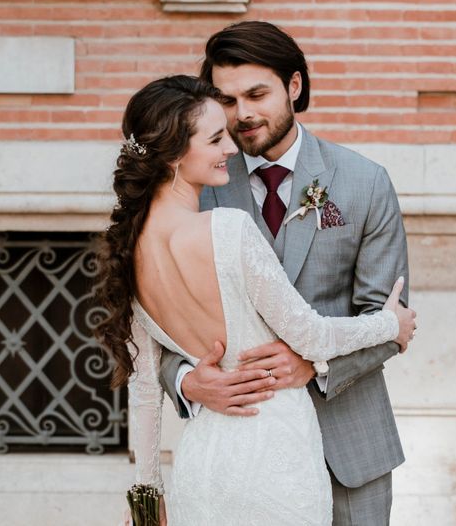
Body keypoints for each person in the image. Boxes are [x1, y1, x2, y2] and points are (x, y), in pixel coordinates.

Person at [95, 75, 416, 525]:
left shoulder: (130, 250)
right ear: (174, 154)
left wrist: (146, 499)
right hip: (276, 459)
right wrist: (391, 326)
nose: (230, 147)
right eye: (214, 138)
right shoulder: (227, 228)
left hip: (202, 465)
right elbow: (310, 335)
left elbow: (145, 390)